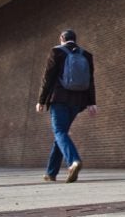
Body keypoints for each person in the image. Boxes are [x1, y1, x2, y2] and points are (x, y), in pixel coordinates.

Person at [36, 29, 97, 183]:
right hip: (78, 102)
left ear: (62, 38)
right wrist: (92, 102)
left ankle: (73, 161)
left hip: (60, 99)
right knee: (61, 135)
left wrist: (41, 100)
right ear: (75, 39)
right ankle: (51, 173)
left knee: (59, 132)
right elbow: (90, 81)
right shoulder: (86, 55)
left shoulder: (56, 52)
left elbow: (47, 78)